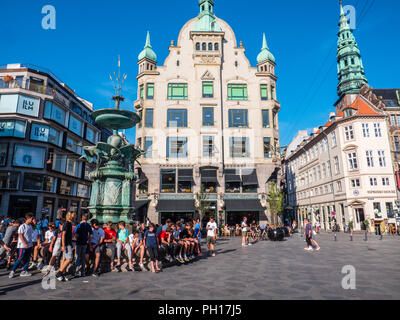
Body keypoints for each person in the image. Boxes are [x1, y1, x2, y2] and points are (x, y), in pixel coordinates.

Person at [9, 213, 35, 278]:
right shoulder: (22, 226)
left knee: (27, 258)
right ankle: (13, 271)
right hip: (22, 246)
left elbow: (29, 235)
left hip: (29, 245)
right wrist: (24, 243)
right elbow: (20, 235)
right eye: (32, 218)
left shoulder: (30, 226)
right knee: (20, 258)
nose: (32, 220)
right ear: (28, 218)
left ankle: (24, 271)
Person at [55, 212, 75, 281]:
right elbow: (63, 235)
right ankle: (59, 273)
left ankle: (62, 274)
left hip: (67, 243)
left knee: (64, 259)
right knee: (69, 259)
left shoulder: (68, 223)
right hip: (66, 244)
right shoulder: (68, 224)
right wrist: (63, 246)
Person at [74, 213, 93, 277]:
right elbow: (90, 235)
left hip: (79, 242)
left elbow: (76, 234)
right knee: (83, 258)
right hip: (85, 243)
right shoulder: (88, 225)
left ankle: (76, 272)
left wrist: (78, 238)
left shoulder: (79, 225)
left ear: (82, 218)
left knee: (77, 257)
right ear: (87, 219)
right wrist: (87, 239)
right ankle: (83, 272)